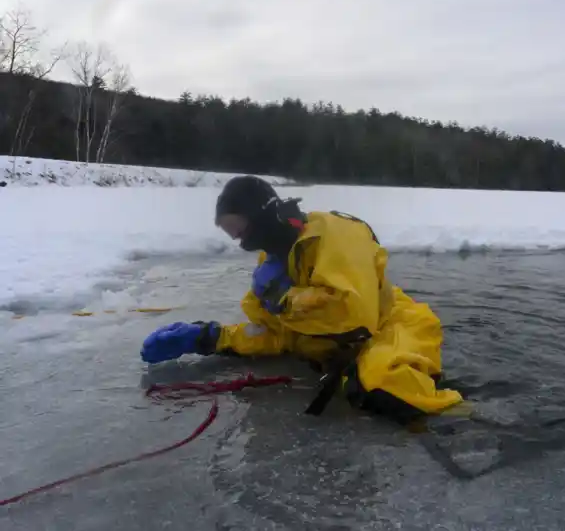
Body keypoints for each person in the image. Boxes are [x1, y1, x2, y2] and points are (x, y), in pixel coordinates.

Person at [139, 175, 464, 423]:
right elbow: (283, 333)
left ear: (258, 215)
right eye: (232, 235)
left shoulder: (336, 234)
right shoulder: (276, 257)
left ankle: (470, 420)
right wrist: (210, 337)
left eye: (238, 230)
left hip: (387, 324)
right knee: (362, 385)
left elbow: (351, 317)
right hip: (339, 342)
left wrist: (281, 298)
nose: (240, 242)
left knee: (386, 389)